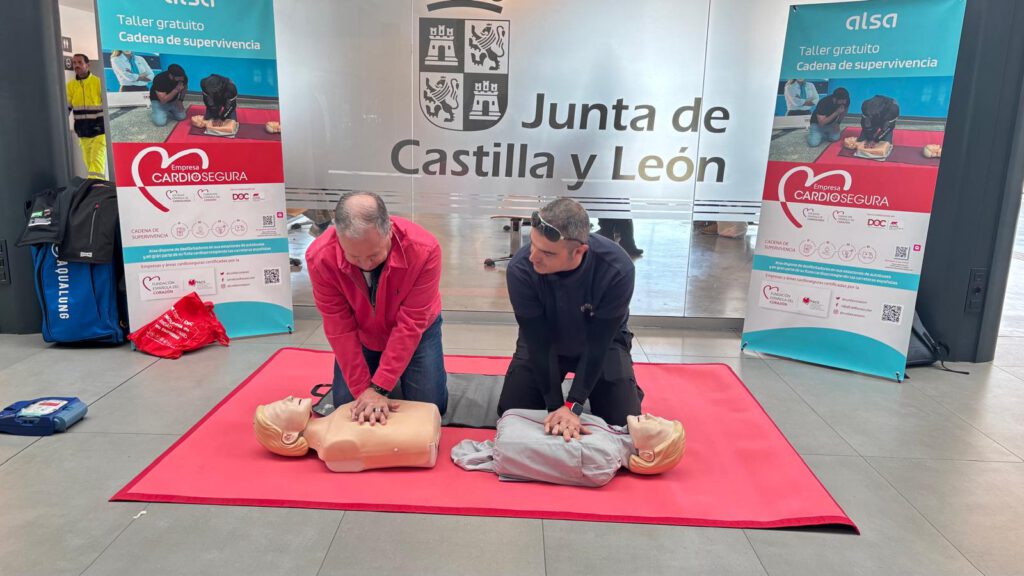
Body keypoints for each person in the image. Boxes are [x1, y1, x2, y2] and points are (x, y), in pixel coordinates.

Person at [499, 198, 643, 438]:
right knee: (511, 412)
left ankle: (624, 384)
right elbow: (537, 341)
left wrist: (573, 405)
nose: (533, 256)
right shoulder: (521, 269)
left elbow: (599, 342)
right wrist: (556, 406)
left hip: (601, 342)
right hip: (545, 340)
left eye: (546, 252)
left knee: (622, 422)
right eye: (532, 243)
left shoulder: (617, 269)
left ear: (579, 251)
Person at [306, 191, 448, 425]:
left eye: (373, 255)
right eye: (353, 256)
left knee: (431, 406)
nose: (365, 264)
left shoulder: (424, 250)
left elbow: (411, 323)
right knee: (347, 405)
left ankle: (407, 372)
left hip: (417, 331)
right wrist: (364, 390)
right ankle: (387, 374)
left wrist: (381, 387)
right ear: (338, 237)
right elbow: (339, 327)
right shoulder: (320, 258)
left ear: (389, 229)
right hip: (362, 333)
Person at [452, 410, 685, 487]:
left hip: (510, 440)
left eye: (659, 427)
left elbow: (545, 460)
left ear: (646, 454)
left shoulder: (603, 460)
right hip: (512, 427)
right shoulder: (609, 431)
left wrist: (503, 454)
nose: (653, 416)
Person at [253, 396, 442, 472]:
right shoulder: (331, 445)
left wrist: (378, 389)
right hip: (425, 436)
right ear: (289, 437)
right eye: (280, 409)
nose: (288, 398)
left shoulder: (341, 411)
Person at [65, 54, 106, 179]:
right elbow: (66, 108)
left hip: (99, 132)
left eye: (79, 62)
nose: (76, 65)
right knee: (90, 166)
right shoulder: (70, 86)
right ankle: (97, 191)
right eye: (74, 63)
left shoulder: (98, 83)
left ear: (87, 65)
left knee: (96, 165)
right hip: (83, 133)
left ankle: (97, 190)